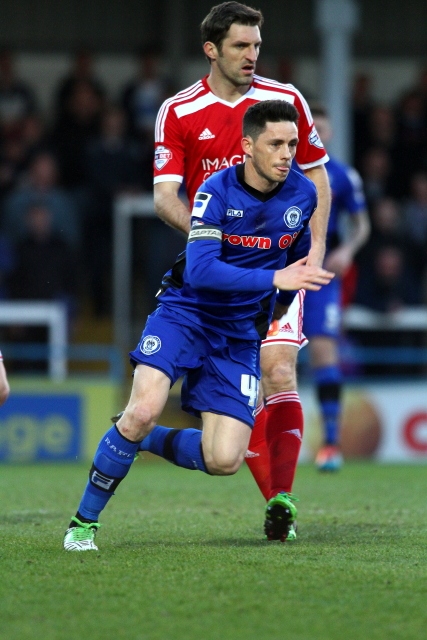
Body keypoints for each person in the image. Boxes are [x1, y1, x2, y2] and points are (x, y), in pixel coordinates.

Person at [63, 99, 334, 551]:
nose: (287, 154)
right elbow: (202, 271)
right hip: (186, 314)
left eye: (292, 144)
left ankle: (149, 439)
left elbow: (295, 259)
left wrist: (276, 304)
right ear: (248, 145)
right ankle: (83, 523)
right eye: (275, 144)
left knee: (224, 459)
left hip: (238, 333)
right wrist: (274, 279)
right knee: (143, 406)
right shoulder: (214, 191)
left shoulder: (302, 194)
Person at [152, 1, 330, 541]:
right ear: (212, 49)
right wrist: (212, 244)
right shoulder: (179, 111)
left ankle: (282, 503)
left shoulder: (285, 102)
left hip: (281, 270)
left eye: (256, 45)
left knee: (279, 370)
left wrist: (314, 252)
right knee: (224, 431)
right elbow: (165, 197)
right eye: (241, 46)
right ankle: (143, 434)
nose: (253, 55)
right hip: (210, 278)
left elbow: (318, 181)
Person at [304, 105, 370, 470]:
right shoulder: (282, 170)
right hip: (279, 272)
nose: (316, 134)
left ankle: (330, 443)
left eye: (321, 128)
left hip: (321, 274)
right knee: (266, 357)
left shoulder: (342, 175)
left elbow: (363, 225)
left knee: (324, 352)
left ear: (327, 133)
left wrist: (347, 250)